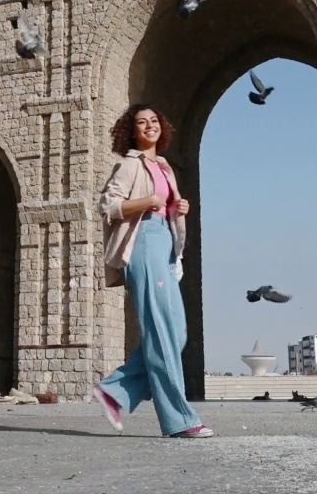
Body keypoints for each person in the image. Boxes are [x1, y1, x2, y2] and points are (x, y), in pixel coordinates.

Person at [91, 104, 214, 438]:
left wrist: (178, 208)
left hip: (164, 245)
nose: (149, 126)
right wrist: (146, 202)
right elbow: (109, 206)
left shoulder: (164, 167)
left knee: (176, 333)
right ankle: (180, 420)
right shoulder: (130, 164)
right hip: (142, 242)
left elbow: (164, 206)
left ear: (163, 127)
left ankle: (115, 391)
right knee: (160, 333)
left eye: (154, 121)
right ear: (132, 131)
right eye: (142, 122)